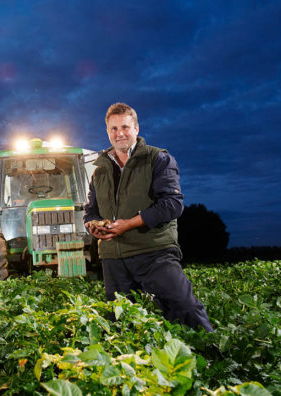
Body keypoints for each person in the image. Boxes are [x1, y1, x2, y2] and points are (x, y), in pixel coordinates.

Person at [84, 102, 213, 332]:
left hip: (153, 252)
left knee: (185, 309)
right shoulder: (99, 170)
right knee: (121, 325)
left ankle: (212, 358)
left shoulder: (157, 159)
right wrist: (92, 225)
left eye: (125, 127)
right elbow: (91, 211)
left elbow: (172, 204)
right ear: (107, 132)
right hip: (114, 259)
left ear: (136, 128)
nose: (119, 133)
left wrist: (129, 224)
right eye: (113, 129)